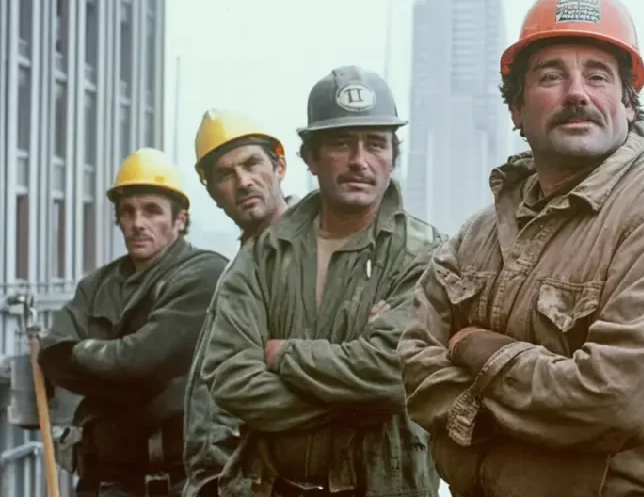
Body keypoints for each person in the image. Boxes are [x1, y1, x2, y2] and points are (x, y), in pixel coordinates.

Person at [398, 0, 644, 497]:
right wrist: (528, 408)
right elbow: (415, 362)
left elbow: (616, 401)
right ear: (516, 110)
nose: (577, 92)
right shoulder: (478, 233)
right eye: (550, 76)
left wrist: (480, 353)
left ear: (629, 104)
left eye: (599, 76)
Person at [200, 66, 444, 497]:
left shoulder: (424, 254)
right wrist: (356, 400)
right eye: (340, 143)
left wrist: (284, 355)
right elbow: (230, 379)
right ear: (309, 157)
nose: (359, 161)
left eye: (375, 144)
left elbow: (395, 374)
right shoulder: (263, 257)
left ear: (393, 156)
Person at [38, 147, 228, 497]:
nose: (137, 222)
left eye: (152, 211)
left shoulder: (204, 273)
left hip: (172, 482)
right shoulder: (97, 284)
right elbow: (51, 353)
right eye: (127, 212)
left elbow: (144, 360)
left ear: (180, 220)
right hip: (101, 480)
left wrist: (86, 361)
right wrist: (118, 369)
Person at [183, 109, 293, 497]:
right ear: (213, 194)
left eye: (252, 164)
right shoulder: (243, 262)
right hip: (224, 480)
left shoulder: (309, 256)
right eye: (225, 175)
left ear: (279, 166)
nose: (243, 182)